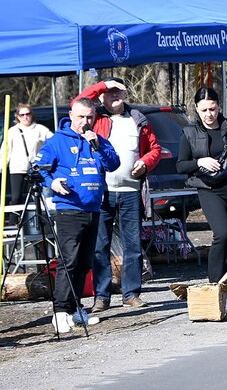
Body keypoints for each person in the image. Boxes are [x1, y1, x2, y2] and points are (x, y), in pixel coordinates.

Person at [72, 78, 162, 312]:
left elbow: (155, 148)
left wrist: (146, 162)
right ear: (101, 96)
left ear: (125, 94)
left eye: (118, 92)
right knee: (100, 246)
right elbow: (78, 102)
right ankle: (102, 296)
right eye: (109, 92)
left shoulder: (138, 119)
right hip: (102, 192)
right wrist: (103, 84)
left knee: (133, 245)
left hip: (131, 191)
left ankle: (131, 293)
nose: (114, 96)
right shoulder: (95, 118)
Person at [35, 97, 120, 333]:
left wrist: (98, 145)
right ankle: (60, 311)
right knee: (69, 260)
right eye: (81, 117)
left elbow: (113, 164)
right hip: (69, 209)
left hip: (93, 208)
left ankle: (75, 309)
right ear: (71, 116)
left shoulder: (97, 139)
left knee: (84, 262)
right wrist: (52, 183)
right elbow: (39, 169)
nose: (85, 121)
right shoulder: (57, 141)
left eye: (90, 117)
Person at [177, 87, 227, 315]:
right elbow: (181, 165)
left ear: (219, 106)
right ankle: (214, 291)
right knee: (222, 234)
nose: (209, 114)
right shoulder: (190, 132)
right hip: (208, 190)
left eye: (213, 109)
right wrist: (200, 162)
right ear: (197, 109)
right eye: (204, 110)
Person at [0, 104, 53, 224]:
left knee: (36, 197)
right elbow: (5, 151)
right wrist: (2, 166)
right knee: (16, 198)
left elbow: (53, 142)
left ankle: (37, 224)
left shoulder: (40, 129)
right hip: (17, 169)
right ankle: (13, 223)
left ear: (32, 115)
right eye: (22, 114)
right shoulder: (12, 131)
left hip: (34, 170)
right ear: (18, 117)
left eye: (28, 114)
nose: (25, 117)